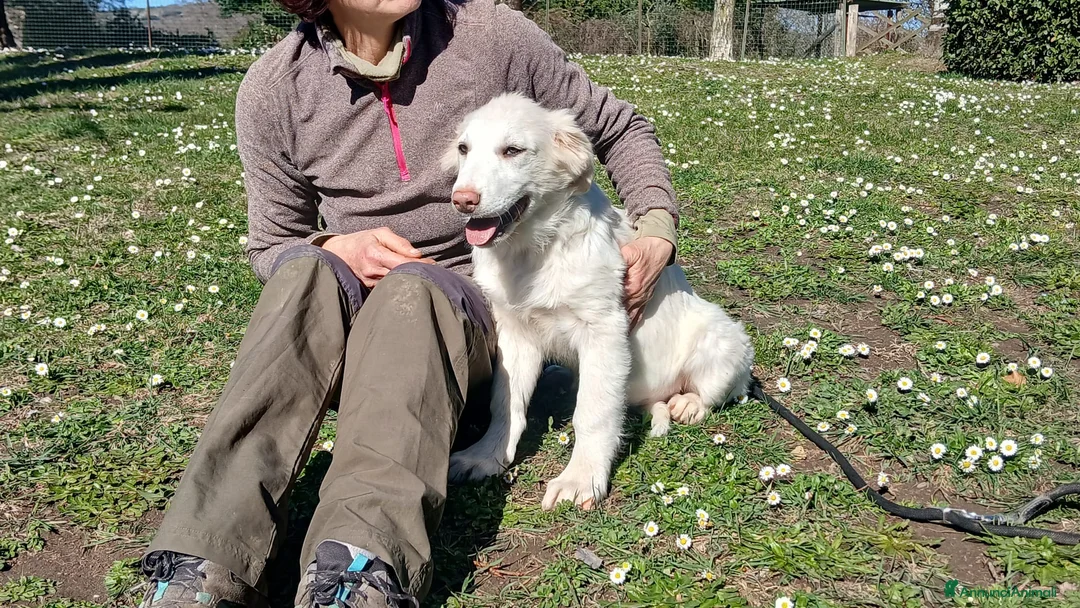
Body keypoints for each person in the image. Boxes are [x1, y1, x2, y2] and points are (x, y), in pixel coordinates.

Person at [136, 0, 680, 605]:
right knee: (304, 275)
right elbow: (271, 245)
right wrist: (333, 243)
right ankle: (204, 556)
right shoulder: (274, 87)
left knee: (413, 291)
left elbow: (617, 127)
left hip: (460, 312)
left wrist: (654, 226)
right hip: (349, 322)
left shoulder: (489, 34)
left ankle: (360, 563)